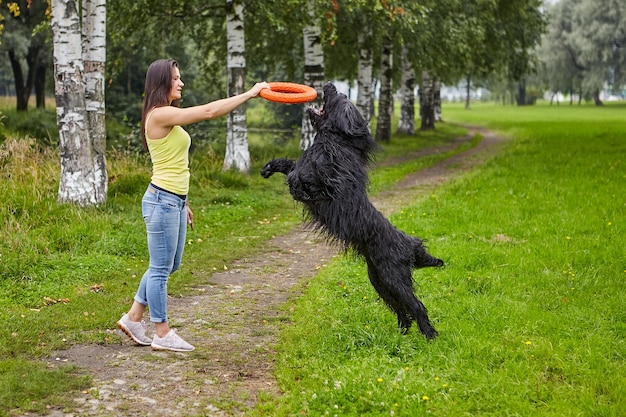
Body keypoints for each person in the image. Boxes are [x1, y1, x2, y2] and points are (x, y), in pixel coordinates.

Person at [116, 58, 270, 352]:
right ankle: (161, 332)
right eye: (175, 78)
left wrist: (183, 202)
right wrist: (250, 93)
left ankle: (134, 317)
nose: (181, 83)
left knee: (169, 266)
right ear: (162, 82)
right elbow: (210, 111)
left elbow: (174, 164)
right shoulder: (159, 114)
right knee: (160, 269)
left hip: (173, 201)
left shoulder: (166, 113)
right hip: (160, 201)